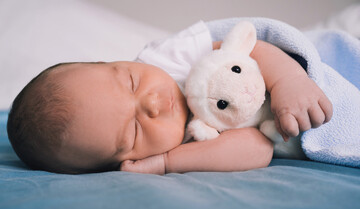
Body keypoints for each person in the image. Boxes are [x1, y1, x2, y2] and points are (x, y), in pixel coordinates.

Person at [6, 21, 332, 174]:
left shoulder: (169, 59)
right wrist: (167, 163)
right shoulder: (174, 147)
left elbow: (247, 49)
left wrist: (290, 80)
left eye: (132, 82)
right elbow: (259, 148)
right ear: (125, 161)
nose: (150, 104)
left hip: (313, 73)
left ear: (122, 62)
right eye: (133, 130)